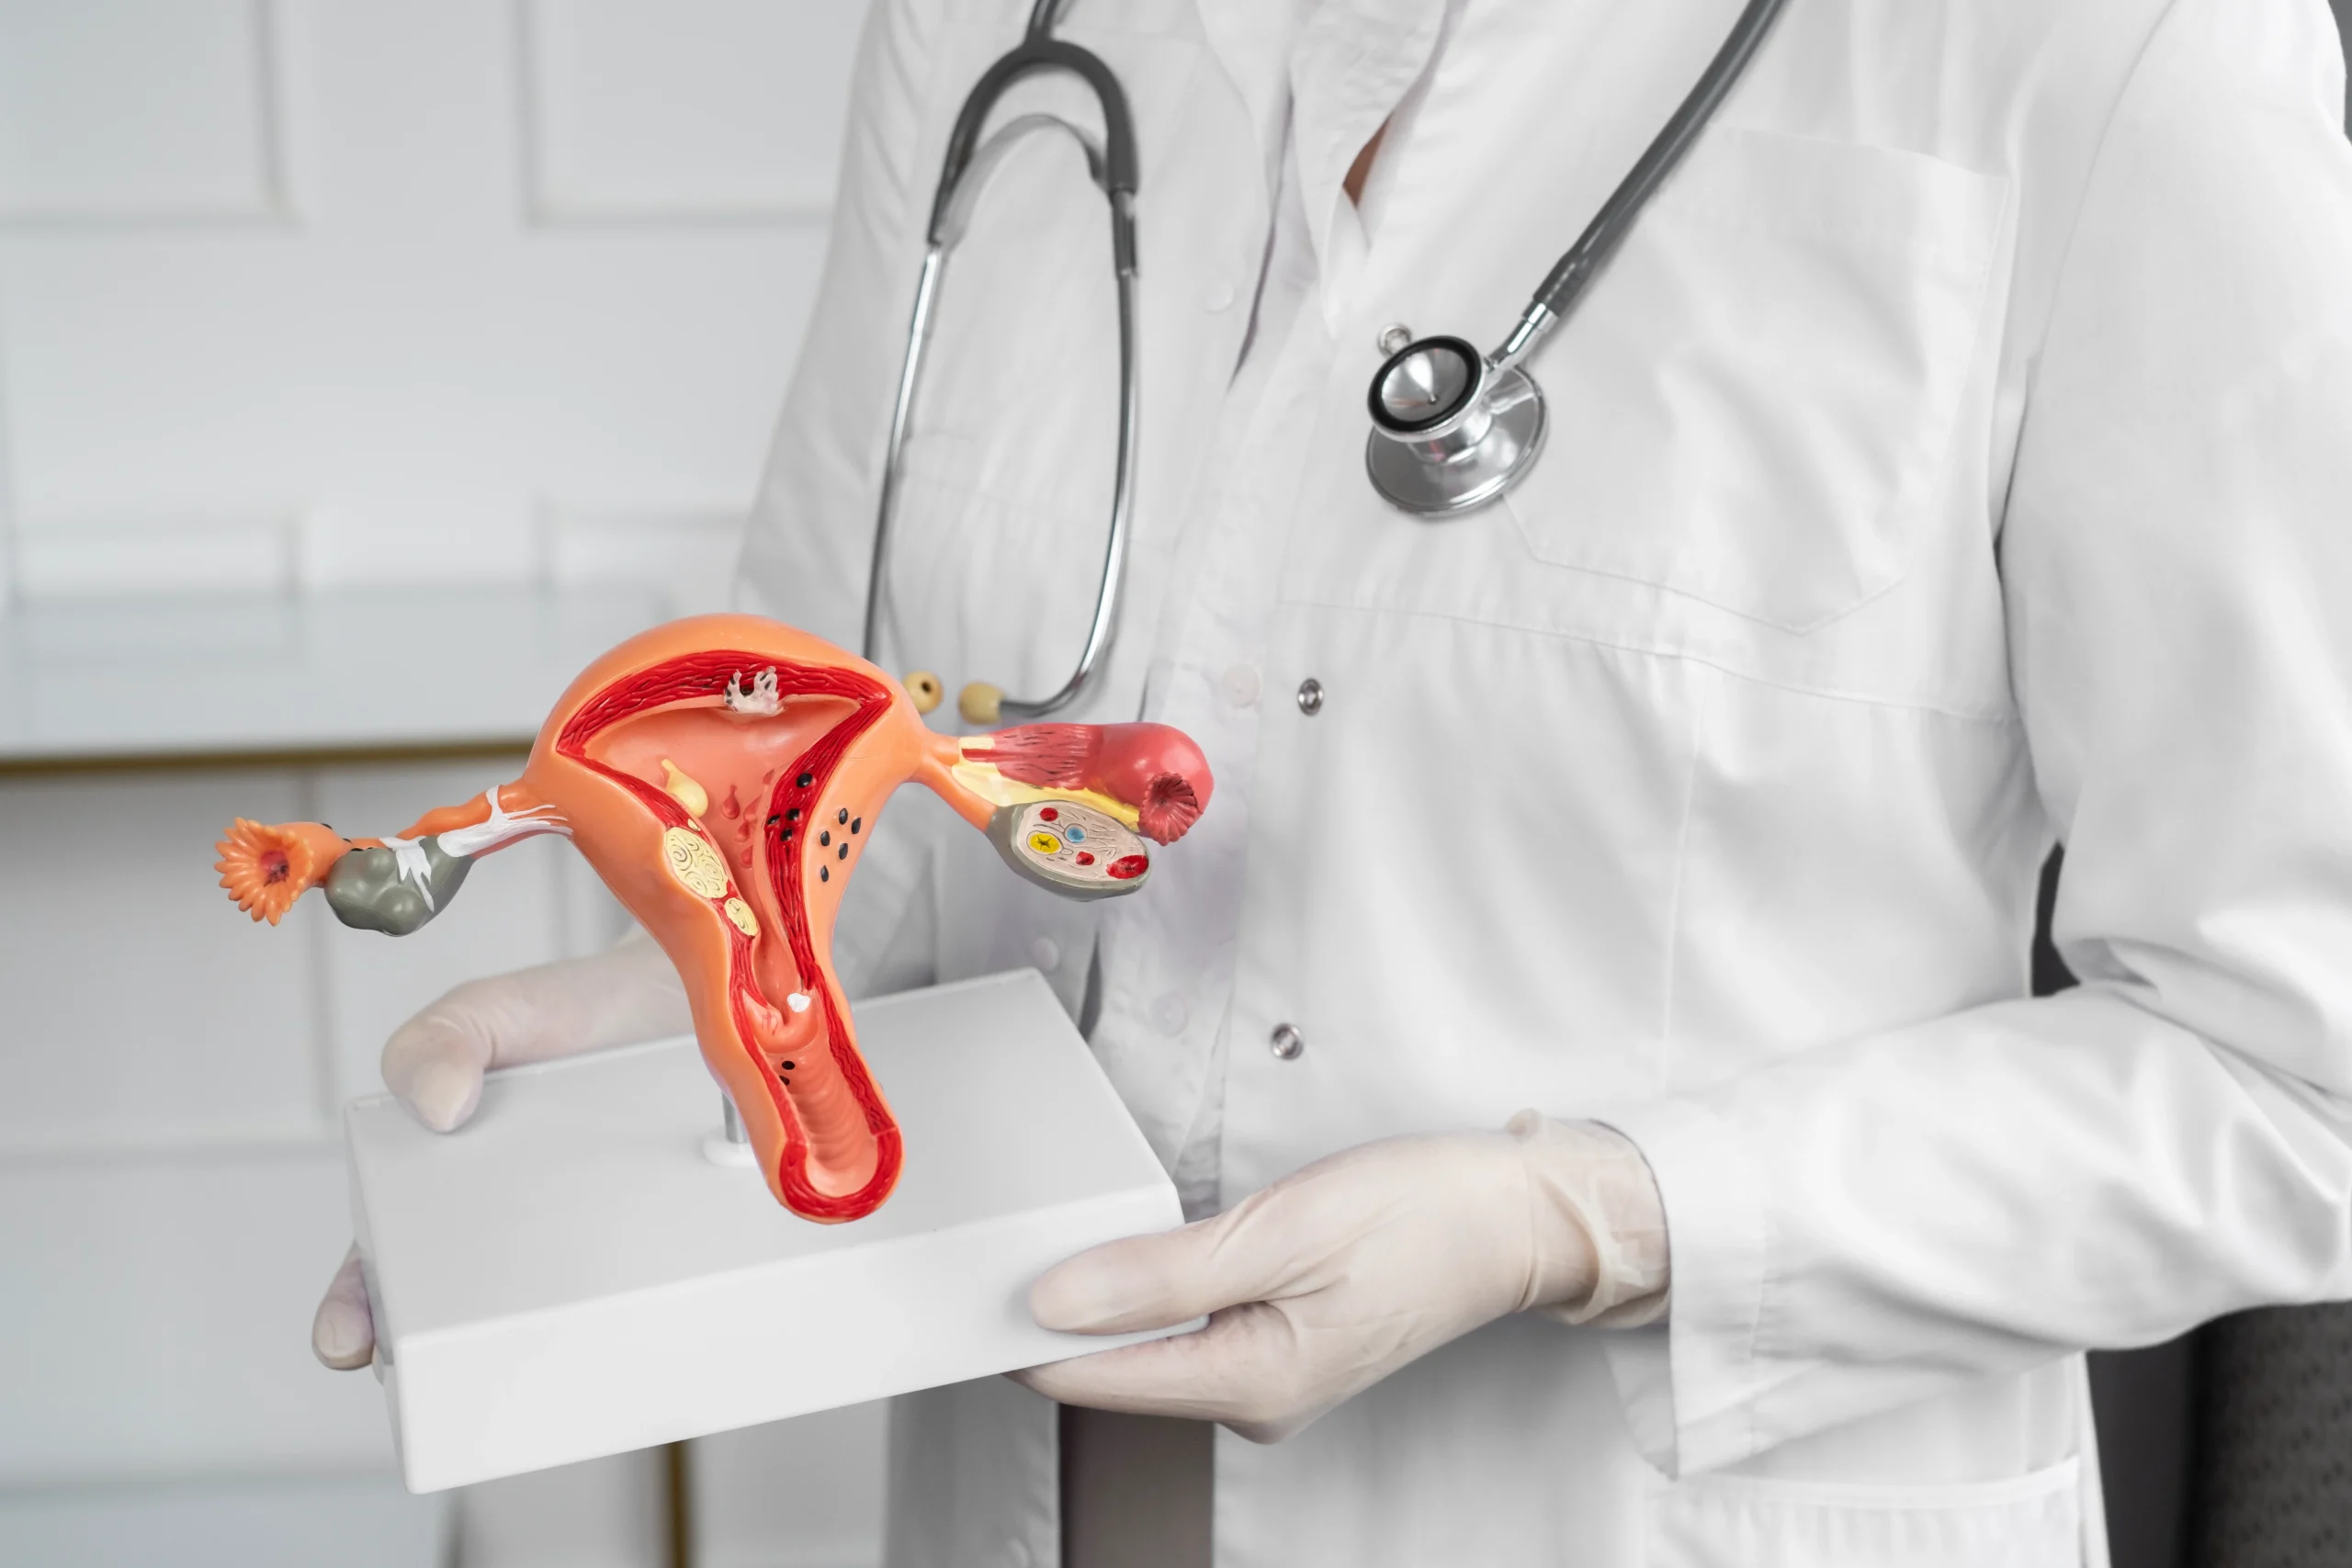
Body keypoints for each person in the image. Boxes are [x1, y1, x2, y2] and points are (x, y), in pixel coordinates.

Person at [311, 0, 2352, 1562]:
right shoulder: (1004, 29)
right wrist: (704, 977)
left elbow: (2296, 1067)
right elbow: (868, 770)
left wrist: (1583, 1217)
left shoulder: (2109, 54)